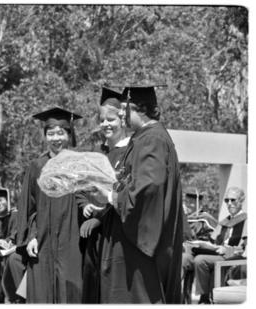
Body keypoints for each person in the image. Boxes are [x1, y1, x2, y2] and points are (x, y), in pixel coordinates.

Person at [95, 85, 184, 303]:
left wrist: (110, 197)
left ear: (141, 109)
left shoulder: (151, 139)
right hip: (131, 245)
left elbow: (148, 187)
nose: (122, 116)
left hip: (138, 251)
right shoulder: (146, 138)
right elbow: (132, 181)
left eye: (125, 110)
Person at [15, 107, 85, 303]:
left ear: (69, 135)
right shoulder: (37, 166)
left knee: (71, 290)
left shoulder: (79, 164)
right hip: (43, 242)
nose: (56, 138)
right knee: (42, 292)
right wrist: (31, 236)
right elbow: (28, 208)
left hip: (72, 241)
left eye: (60, 133)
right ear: (45, 136)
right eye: (51, 133)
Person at [78, 87, 131, 302]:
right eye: (102, 120)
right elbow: (82, 187)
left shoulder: (130, 152)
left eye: (111, 119)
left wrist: (99, 219)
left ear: (122, 119)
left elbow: (126, 193)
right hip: (92, 237)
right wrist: (84, 205)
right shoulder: (97, 154)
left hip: (116, 234)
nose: (106, 124)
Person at [192, 186, 247, 304]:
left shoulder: (248, 221)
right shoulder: (224, 222)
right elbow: (212, 241)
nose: (229, 203)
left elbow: (246, 248)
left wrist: (228, 250)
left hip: (232, 256)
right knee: (190, 255)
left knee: (200, 260)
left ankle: (205, 298)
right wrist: (202, 244)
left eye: (233, 200)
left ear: (241, 201)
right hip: (216, 253)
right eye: (227, 200)